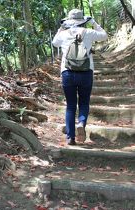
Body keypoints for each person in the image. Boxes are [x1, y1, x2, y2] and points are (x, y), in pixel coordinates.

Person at [52, 9, 108, 145]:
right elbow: (104, 35)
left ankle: (70, 137)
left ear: (69, 21)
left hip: (67, 72)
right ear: (83, 20)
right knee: (84, 102)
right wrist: (93, 22)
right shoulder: (88, 32)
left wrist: (61, 26)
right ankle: (81, 123)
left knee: (70, 105)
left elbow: (54, 43)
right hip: (86, 72)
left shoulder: (64, 34)